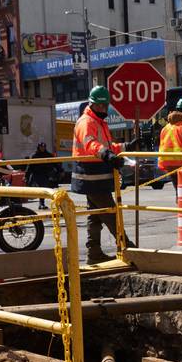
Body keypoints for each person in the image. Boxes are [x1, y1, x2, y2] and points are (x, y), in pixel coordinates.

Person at [72, 85, 134, 264]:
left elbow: (107, 145)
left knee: (96, 215)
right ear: (92, 104)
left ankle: (94, 252)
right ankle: (127, 247)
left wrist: (126, 146)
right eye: (100, 106)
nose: (103, 109)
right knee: (110, 212)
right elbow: (91, 144)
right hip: (91, 177)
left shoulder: (99, 122)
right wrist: (108, 156)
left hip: (95, 176)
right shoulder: (87, 122)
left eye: (105, 106)